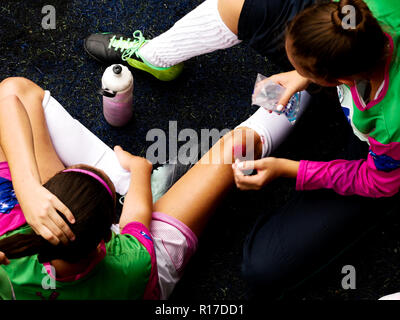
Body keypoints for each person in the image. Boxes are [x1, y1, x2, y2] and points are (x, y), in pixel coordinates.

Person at [0, 76, 309, 299]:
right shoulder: (130, 261)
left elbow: (9, 95)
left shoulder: (8, 255)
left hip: (78, 259)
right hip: (148, 273)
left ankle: (123, 182)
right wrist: (138, 168)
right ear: (109, 234)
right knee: (237, 147)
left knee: (17, 92)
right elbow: (135, 221)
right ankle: (297, 93)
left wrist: (25, 187)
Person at [228, 0, 400, 298]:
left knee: (264, 267)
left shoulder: (390, 122)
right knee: (248, 10)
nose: (293, 71)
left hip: (384, 165)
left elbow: (378, 181)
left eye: (304, 68)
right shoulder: (365, 10)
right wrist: (303, 75)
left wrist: (289, 169)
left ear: (342, 80)